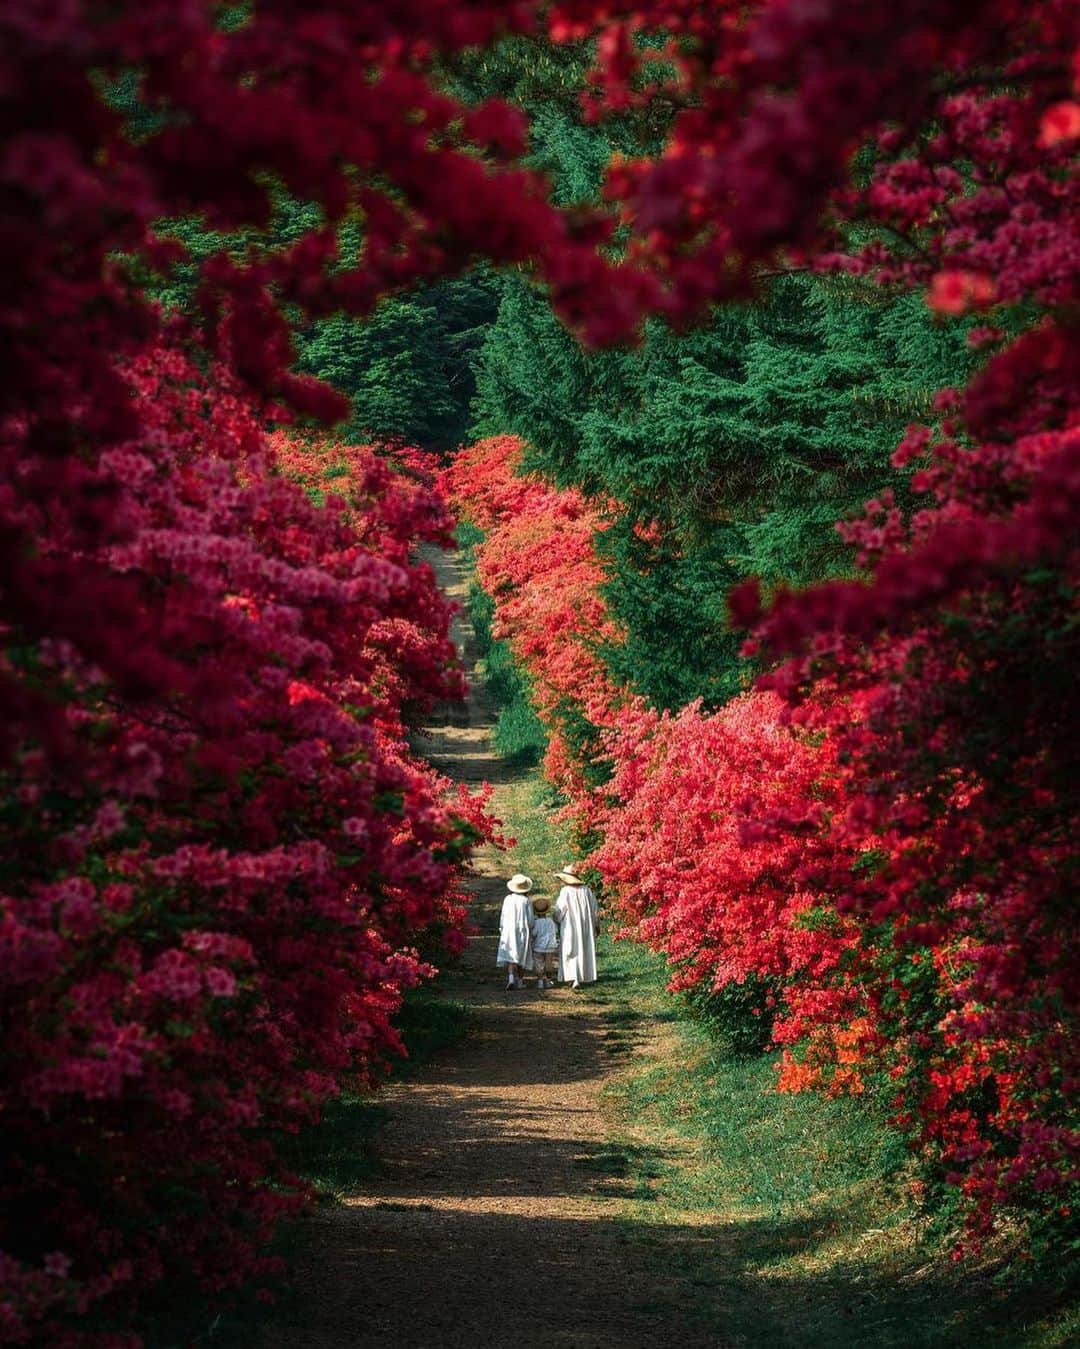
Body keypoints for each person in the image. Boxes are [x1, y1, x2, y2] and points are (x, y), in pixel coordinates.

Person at [553, 866, 599, 989]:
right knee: (582, 948)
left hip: (569, 925)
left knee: (570, 949)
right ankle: (580, 976)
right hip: (585, 925)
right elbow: (595, 910)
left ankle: (573, 977)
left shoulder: (565, 892)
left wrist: (556, 919)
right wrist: (596, 925)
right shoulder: (587, 891)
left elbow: (559, 911)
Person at [497, 873, 534, 991]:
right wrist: (531, 928)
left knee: (511, 954)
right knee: (521, 955)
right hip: (522, 929)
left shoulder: (507, 899)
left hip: (508, 929)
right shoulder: (526, 901)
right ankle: (520, 981)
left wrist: (502, 928)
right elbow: (530, 919)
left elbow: (503, 915)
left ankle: (511, 978)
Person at [530, 896, 559, 990]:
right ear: (547, 911)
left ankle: (540, 981)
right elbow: (556, 930)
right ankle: (548, 980)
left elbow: (534, 934)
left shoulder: (536, 923)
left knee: (539, 964)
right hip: (550, 946)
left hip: (538, 946)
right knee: (549, 963)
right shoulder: (551, 921)